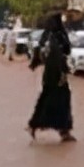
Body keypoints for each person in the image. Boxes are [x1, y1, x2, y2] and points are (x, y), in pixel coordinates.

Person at [27, 13, 76, 142]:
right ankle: (63, 130)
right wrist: (63, 72)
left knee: (46, 97)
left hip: (48, 74)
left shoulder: (45, 36)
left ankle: (35, 125)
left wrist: (35, 63)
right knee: (62, 100)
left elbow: (38, 52)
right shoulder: (59, 36)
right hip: (57, 73)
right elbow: (62, 53)